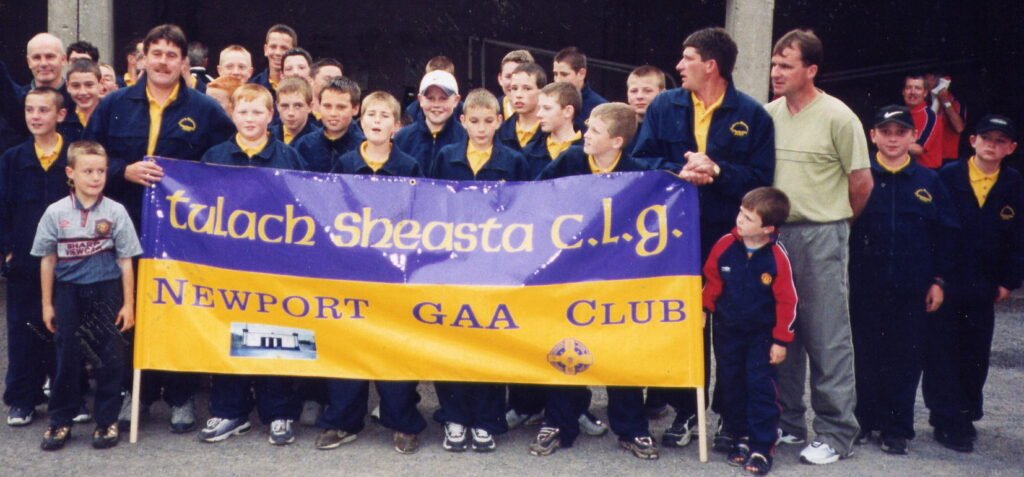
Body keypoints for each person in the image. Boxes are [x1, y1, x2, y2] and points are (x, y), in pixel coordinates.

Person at [83, 23, 235, 433]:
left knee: (177, 311)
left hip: (181, 232)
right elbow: (88, 156)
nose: (163, 62)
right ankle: (136, 392)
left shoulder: (204, 110)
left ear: (184, 63)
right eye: (157, 54)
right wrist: (123, 170)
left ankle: (181, 396)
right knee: (126, 310)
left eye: (172, 55)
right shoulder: (114, 104)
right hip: (125, 223)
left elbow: (226, 161)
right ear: (142, 59)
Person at [632, 27, 775, 453]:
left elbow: (762, 179)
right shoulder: (664, 105)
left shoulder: (753, 115)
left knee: (731, 330)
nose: (679, 65)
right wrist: (679, 172)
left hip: (731, 239)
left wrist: (717, 171)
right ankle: (686, 411)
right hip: (675, 236)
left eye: (687, 57)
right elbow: (641, 160)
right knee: (684, 325)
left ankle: (732, 419)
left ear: (711, 65)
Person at [765, 29, 873, 465]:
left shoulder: (839, 117)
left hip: (822, 234)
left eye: (786, 65)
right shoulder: (768, 114)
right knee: (782, 330)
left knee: (827, 335)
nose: (776, 72)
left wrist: (835, 223)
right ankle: (789, 423)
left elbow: (861, 183)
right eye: (774, 64)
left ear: (811, 70)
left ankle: (836, 432)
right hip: (776, 236)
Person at [533, 103, 657, 460]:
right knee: (566, 344)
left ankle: (632, 428)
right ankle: (559, 422)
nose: (585, 135)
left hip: (617, 276)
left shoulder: (636, 172)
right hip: (572, 272)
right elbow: (536, 194)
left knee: (621, 349)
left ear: (617, 141)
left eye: (595, 131)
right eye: (587, 128)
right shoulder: (571, 159)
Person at [317, 91, 426, 454]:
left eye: (384, 116)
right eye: (371, 115)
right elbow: (330, 214)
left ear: (396, 125)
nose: (377, 121)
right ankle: (343, 421)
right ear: (360, 120)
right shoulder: (345, 163)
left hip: (394, 274)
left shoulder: (409, 166)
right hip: (351, 272)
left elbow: (423, 219)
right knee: (349, 346)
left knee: (394, 348)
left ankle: (403, 421)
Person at [850, 105, 958, 455]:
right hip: (865, 286)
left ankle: (896, 428)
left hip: (912, 288)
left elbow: (946, 235)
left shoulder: (929, 181)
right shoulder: (859, 178)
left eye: (900, 132)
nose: (893, 139)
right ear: (873, 136)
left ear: (913, 137)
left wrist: (939, 281)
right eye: (886, 132)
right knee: (864, 354)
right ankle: (862, 420)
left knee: (905, 358)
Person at [429, 89, 527, 452]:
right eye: (474, 121)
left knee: (488, 340)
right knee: (451, 339)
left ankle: (487, 420)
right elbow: (433, 204)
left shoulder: (513, 161)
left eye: (488, 121)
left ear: (499, 121)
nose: (481, 128)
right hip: (453, 263)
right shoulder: (446, 156)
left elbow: (526, 208)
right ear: (463, 122)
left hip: (495, 264)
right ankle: (454, 416)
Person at [31, 140, 142, 450]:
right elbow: (47, 260)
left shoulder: (116, 211)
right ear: (71, 173)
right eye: (88, 171)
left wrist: (129, 303)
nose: (95, 178)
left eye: (101, 171)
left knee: (109, 357)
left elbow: (126, 260)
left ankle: (106, 420)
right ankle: (60, 420)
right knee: (66, 356)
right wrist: (47, 303)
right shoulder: (56, 212)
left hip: (107, 290)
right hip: (68, 292)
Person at [925, 115, 1023, 453]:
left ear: (1011, 148)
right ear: (973, 141)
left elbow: (1018, 238)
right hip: (947, 280)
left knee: (975, 352)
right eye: (986, 138)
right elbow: (933, 230)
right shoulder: (947, 176)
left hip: (984, 282)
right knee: (942, 350)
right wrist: (934, 278)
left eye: (1000, 141)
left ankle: (965, 414)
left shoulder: (1014, 183)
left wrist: (1009, 281)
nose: (991, 145)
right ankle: (945, 418)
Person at [703, 186, 796, 475]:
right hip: (727, 331)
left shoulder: (777, 256)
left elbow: (788, 301)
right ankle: (739, 437)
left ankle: (761, 446)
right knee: (731, 384)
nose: (739, 220)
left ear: (768, 228)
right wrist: (704, 308)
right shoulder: (725, 245)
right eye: (740, 214)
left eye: (748, 218)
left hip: (762, 336)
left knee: (760, 388)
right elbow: (712, 282)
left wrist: (781, 340)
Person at [0, 88, 70, 428]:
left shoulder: (73, 156)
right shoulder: (13, 159)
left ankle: (65, 397)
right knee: (22, 328)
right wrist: (7, 249)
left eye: (43, 110)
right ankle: (22, 399)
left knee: (64, 328)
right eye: (30, 110)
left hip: (68, 259)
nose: (35, 116)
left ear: (60, 115)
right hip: (26, 259)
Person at [393, 70, 466, 172]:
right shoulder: (402, 138)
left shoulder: (466, 139)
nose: (436, 105)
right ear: (420, 100)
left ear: (456, 101)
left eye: (443, 98)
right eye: (430, 98)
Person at [294, 77, 364, 173]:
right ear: (319, 106)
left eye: (341, 107)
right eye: (327, 106)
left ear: (355, 109)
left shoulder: (363, 148)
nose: (333, 113)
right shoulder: (304, 145)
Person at [525, 82, 582, 177]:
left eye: (547, 108)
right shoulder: (528, 152)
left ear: (568, 111)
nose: (539, 114)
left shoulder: (589, 151)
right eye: (539, 108)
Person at [552, 47, 607, 131]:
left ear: (581, 74)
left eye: (564, 74)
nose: (558, 80)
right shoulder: (550, 102)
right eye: (555, 74)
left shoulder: (600, 107)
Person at [496, 62, 547, 153]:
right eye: (514, 88)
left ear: (542, 92)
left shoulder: (552, 132)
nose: (518, 95)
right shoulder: (500, 132)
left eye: (527, 88)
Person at [903, 74, 944, 169]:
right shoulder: (899, 115)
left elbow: (918, 149)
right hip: (904, 169)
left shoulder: (932, 118)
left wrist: (889, 144)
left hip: (926, 171)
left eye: (917, 88)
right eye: (908, 88)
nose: (912, 92)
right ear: (903, 92)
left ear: (925, 93)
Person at [924, 71, 966, 162]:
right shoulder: (923, 104)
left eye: (928, 78)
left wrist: (945, 101)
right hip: (926, 157)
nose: (925, 82)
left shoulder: (955, 102)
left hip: (947, 159)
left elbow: (959, 128)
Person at [271, 77, 318, 145]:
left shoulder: (320, 140)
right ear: (277, 106)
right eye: (285, 106)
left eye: (298, 106)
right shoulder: (266, 137)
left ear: (310, 107)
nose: (291, 113)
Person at [250, 24, 298, 92]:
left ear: (294, 52)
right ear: (265, 50)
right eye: (273, 47)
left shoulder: (303, 85)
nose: (278, 53)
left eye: (284, 48)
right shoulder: (253, 87)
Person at [497, 50, 534, 119]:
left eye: (519, 76)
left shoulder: (544, 112)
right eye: (508, 76)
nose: (513, 83)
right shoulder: (491, 111)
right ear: (500, 79)